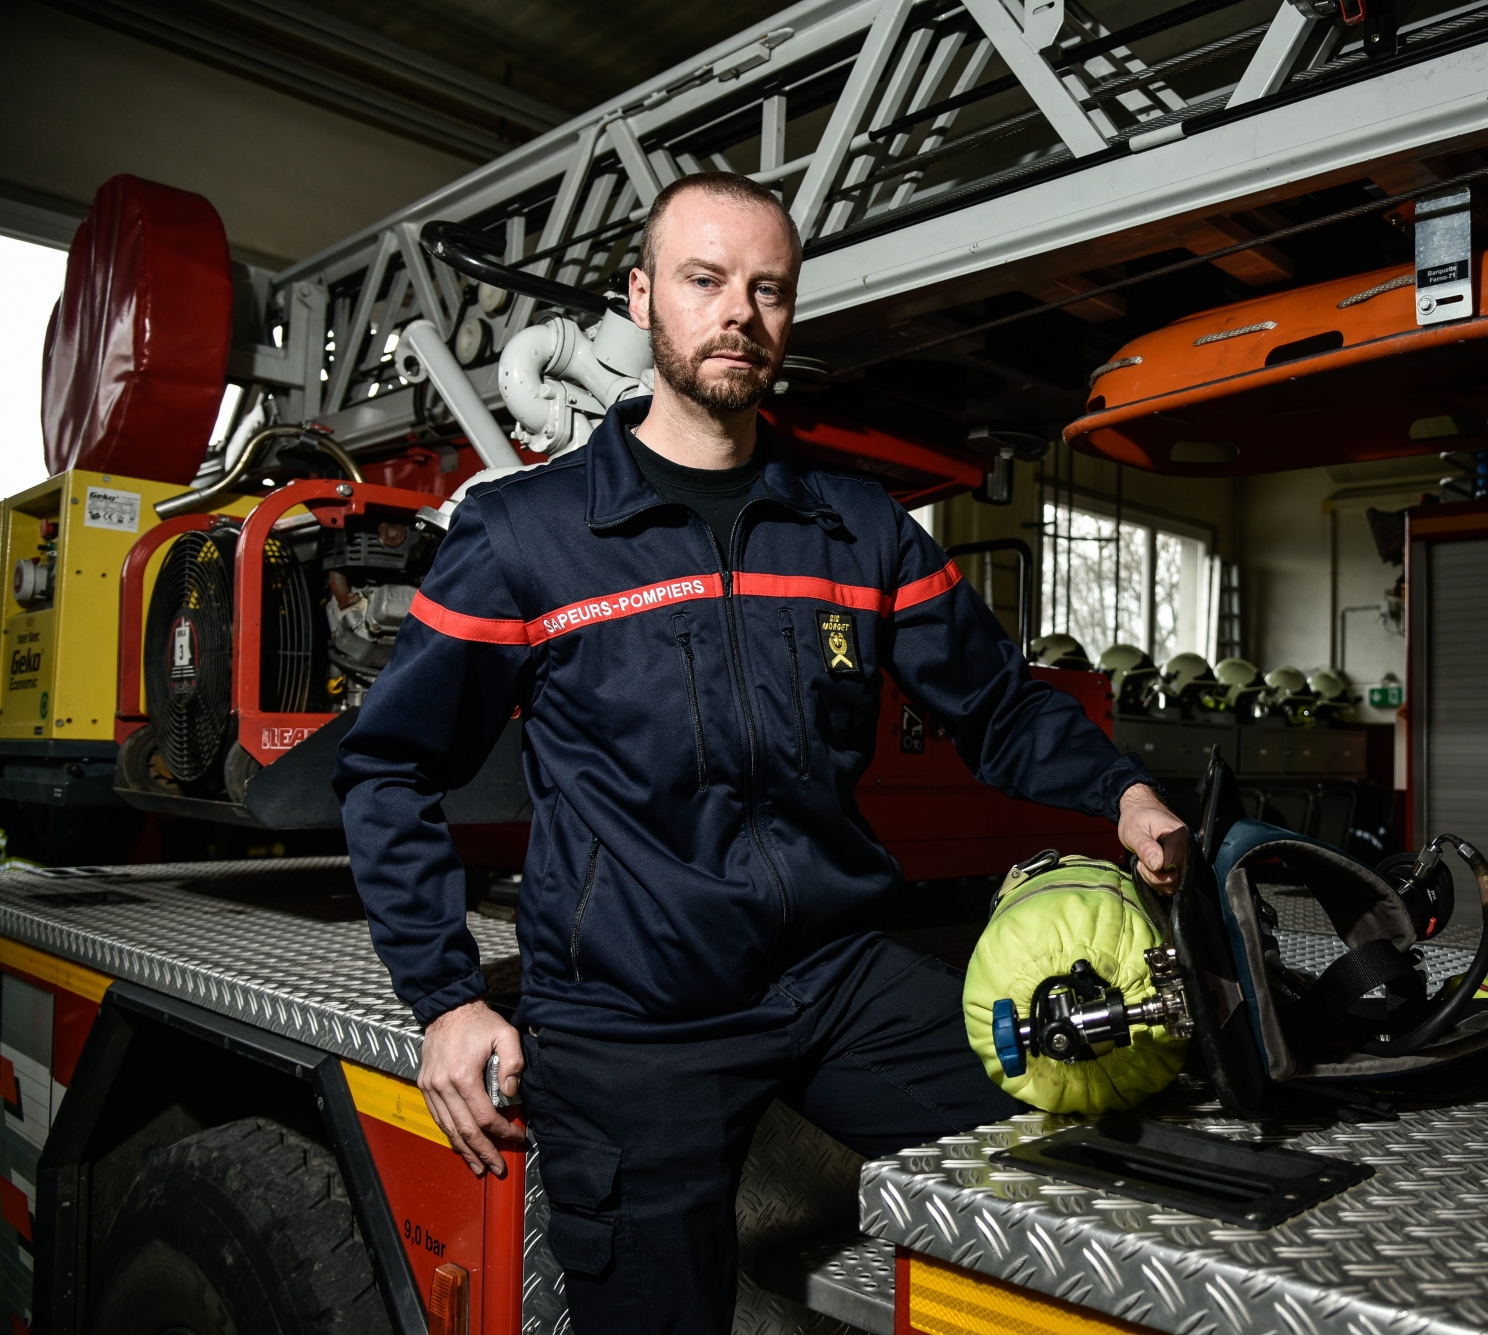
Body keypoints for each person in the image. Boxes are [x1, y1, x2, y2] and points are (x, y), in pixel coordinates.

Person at [336, 171, 1188, 1334]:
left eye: (766, 289)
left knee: (1075, 1142)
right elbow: (389, 766)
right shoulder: (527, 535)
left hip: (833, 979)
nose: (737, 312)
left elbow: (994, 703)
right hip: (634, 1014)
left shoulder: (858, 526)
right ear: (643, 298)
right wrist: (442, 998)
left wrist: (1124, 791)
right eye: (703, 281)